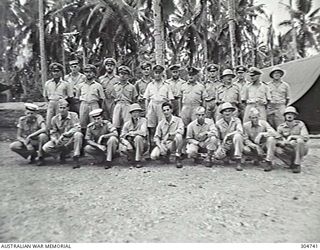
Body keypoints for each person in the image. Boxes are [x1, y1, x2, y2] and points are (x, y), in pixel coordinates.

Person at [42, 99, 83, 168]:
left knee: (78, 134)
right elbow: (53, 132)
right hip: (60, 140)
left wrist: (67, 133)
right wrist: (54, 139)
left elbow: (77, 128)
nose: (62, 110)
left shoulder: (74, 115)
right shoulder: (54, 119)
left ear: (68, 108)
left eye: (64, 108)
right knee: (46, 147)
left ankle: (76, 157)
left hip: (70, 139)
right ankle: (60, 155)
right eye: (60, 108)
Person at [143, 65, 174, 145]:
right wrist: (147, 112)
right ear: (153, 73)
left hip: (162, 107)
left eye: (159, 73)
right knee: (151, 128)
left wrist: (169, 112)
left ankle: (162, 148)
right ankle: (152, 148)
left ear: (162, 74)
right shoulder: (150, 85)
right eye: (156, 73)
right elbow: (146, 99)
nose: (157, 75)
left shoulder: (167, 85)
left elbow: (170, 99)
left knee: (163, 127)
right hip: (152, 107)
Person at [275, 106, 309, 173]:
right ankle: (291, 163)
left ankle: (297, 164)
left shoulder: (300, 124)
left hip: (300, 147)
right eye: (287, 114)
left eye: (291, 114)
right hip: (288, 147)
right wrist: (283, 142)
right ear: (285, 116)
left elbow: (305, 137)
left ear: (295, 116)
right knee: (276, 149)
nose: (289, 116)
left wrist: (292, 137)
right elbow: (277, 138)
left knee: (300, 141)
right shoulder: (281, 127)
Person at [242, 107, 277, 171]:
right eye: (253, 118)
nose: (255, 119)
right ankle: (256, 158)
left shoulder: (264, 123)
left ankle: (268, 161)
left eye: (256, 117)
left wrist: (262, 134)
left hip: (263, 145)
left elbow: (274, 133)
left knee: (271, 139)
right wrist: (255, 146)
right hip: (253, 146)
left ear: (259, 117)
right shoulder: (246, 125)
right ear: (250, 118)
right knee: (245, 149)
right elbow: (246, 139)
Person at [150, 102, 184, 168]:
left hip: (173, 143)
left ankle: (178, 157)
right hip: (164, 144)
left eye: (168, 110)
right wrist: (160, 147)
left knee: (179, 136)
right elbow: (156, 137)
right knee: (153, 156)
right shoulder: (161, 123)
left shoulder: (178, 120)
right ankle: (165, 156)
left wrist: (170, 134)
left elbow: (181, 131)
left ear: (171, 110)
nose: (166, 112)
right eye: (164, 110)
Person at [214, 102, 244, 171]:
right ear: (222, 113)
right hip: (224, 145)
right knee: (218, 155)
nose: (227, 113)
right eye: (225, 111)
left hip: (234, 144)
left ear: (232, 112)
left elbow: (240, 131)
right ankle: (226, 157)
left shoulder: (237, 120)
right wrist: (219, 146)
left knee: (238, 136)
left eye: (229, 111)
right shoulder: (218, 123)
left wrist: (228, 135)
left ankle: (238, 161)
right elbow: (217, 137)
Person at [43, 63, 73, 130]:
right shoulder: (48, 83)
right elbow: (45, 95)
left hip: (61, 103)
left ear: (61, 72)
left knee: (59, 121)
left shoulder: (66, 83)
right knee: (49, 122)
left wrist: (65, 105)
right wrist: (48, 104)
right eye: (54, 71)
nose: (55, 73)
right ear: (51, 72)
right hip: (51, 103)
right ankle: (49, 137)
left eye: (57, 71)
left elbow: (70, 96)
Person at [77, 64, 105, 133]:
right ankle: (84, 141)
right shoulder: (81, 85)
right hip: (84, 104)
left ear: (94, 73)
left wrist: (100, 110)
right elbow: (77, 98)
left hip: (94, 104)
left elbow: (102, 99)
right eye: (86, 72)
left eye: (90, 72)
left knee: (95, 124)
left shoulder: (98, 86)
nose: (88, 74)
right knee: (83, 124)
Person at [119, 103, 148, 168]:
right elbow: (122, 136)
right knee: (122, 147)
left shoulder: (143, 120)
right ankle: (131, 157)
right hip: (130, 144)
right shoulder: (127, 123)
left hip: (141, 143)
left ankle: (138, 160)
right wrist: (127, 144)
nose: (135, 114)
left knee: (138, 138)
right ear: (131, 114)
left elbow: (143, 132)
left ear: (140, 113)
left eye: (137, 112)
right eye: (133, 112)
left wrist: (131, 133)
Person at [112, 66, 138, 134]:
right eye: (121, 73)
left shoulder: (132, 87)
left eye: (125, 74)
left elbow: (134, 99)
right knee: (116, 123)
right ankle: (117, 139)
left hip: (127, 105)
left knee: (127, 124)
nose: (122, 76)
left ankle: (125, 140)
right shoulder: (115, 86)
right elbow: (113, 98)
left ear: (128, 76)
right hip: (118, 105)